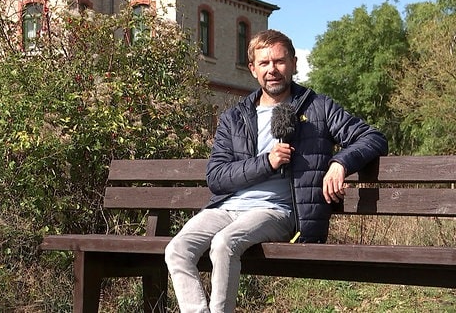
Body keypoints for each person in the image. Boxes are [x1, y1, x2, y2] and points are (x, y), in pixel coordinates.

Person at [164, 29, 388, 313]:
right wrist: (266, 162)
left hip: (278, 211)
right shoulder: (235, 117)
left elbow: (373, 138)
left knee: (224, 244)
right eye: (264, 63)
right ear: (253, 70)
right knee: (177, 250)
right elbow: (217, 177)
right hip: (227, 208)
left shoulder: (318, 108)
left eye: (280, 62)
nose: (273, 70)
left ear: (293, 64)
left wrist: (339, 162)